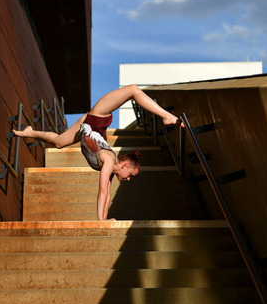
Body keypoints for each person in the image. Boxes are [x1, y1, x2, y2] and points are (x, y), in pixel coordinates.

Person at [13, 85, 182, 221]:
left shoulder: (111, 168)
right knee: (133, 90)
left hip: (87, 123)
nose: (129, 179)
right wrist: (101, 219)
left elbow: (107, 193)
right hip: (98, 117)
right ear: (124, 165)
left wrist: (105, 218)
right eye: (130, 174)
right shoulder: (108, 161)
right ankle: (168, 117)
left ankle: (29, 132)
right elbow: (102, 191)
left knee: (59, 142)